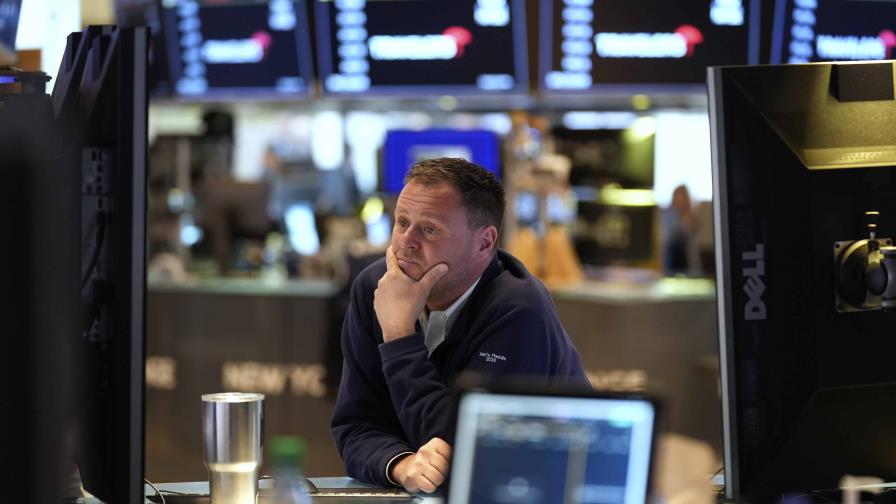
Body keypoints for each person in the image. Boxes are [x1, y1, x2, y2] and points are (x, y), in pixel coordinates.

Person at [330, 158, 589, 493]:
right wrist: (401, 464)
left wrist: (398, 336)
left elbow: (473, 456)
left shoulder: (518, 309)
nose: (405, 241)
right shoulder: (375, 288)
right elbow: (356, 426)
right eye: (402, 222)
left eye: (430, 230)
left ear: (484, 242)